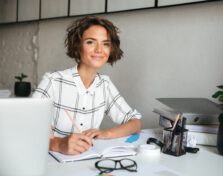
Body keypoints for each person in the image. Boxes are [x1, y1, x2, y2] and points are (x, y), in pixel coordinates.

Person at [33, 16, 142, 155]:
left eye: (105, 44)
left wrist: (106, 133)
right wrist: (58, 144)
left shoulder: (105, 85)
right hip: (50, 161)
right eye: (91, 42)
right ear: (78, 46)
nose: (99, 49)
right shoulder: (53, 81)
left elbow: (135, 123)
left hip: (88, 161)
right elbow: (25, 126)